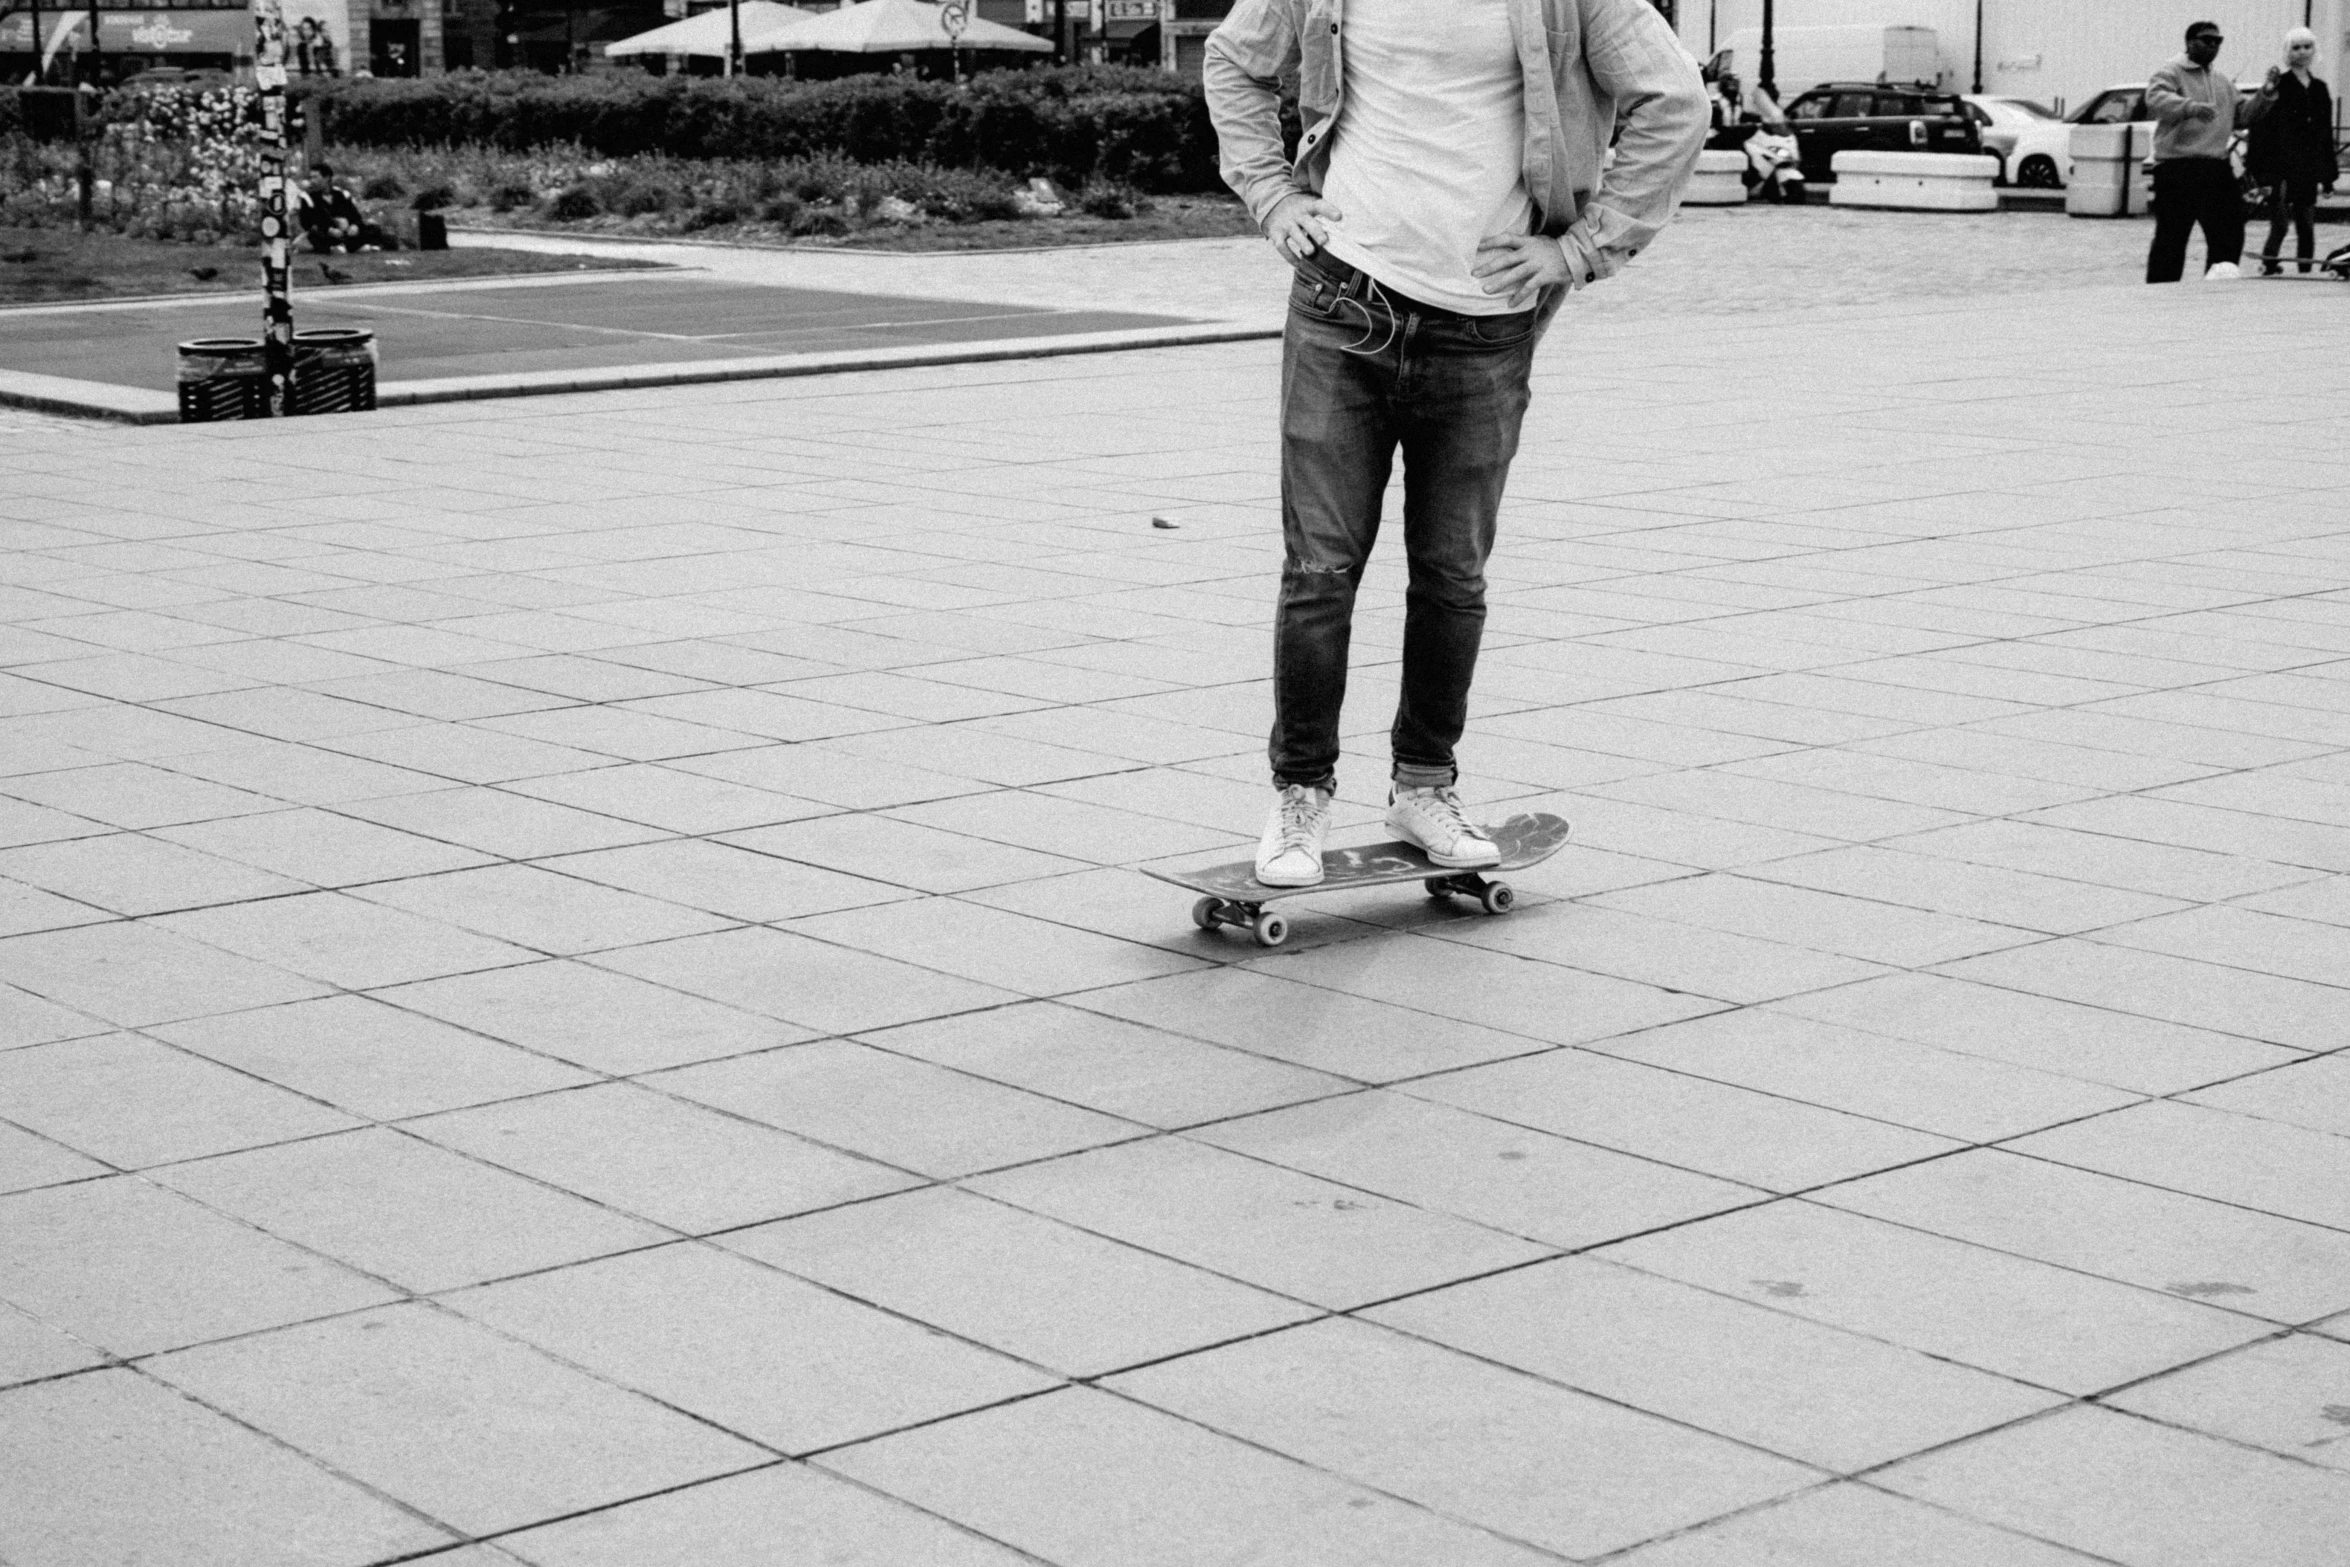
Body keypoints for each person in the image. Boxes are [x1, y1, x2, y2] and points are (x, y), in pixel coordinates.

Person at [1203, 0, 1707, 886]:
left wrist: (1584, 248)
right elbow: (1233, 61)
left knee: (1450, 573)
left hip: (1485, 328)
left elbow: (1674, 101)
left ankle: (1424, 786)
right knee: (1319, 570)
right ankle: (1300, 794)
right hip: (1341, 306)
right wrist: (1272, 193)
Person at [2145, 19, 2277, 283]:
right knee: (2172, 235)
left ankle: (2218, 284)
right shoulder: (2171, 71)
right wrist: (2190, 106)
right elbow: (2156, 98)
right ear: (2190, 43)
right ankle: (2160, 292)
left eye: (2218, 41)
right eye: (2207, 40)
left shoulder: (2221, 81)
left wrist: (2266, 94)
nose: (2214, 45)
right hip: (2176, 166)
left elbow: (2242, 115)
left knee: (2229, 230)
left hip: (2214, 165)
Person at [2248, 26, 2337, 275]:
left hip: (2307, 166)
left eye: (2307, 46)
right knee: (2280, 224)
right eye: (2296, 47)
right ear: (2288, 52)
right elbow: (2262, 127)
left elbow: (2325, 133)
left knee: (2307, 224)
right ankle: (2268, 263)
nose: (2302, 52)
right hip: (2280, 165)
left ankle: (2305, 270)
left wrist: (2328, 175)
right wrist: (2260, 170)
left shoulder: (2320, 88)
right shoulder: (2281, 84)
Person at [297, 163, 398, 253]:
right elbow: (307, 222)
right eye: (311, 178)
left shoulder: (342, 195)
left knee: (373, 228)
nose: (312, 181)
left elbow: (356, 216)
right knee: (315, 234)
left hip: (346, 233)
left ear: (327, 178)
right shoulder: (308, 197)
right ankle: (356, 247)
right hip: (328, 234)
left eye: (315, 177)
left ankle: (345, 247)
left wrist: (355, 226)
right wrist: (329, 230)